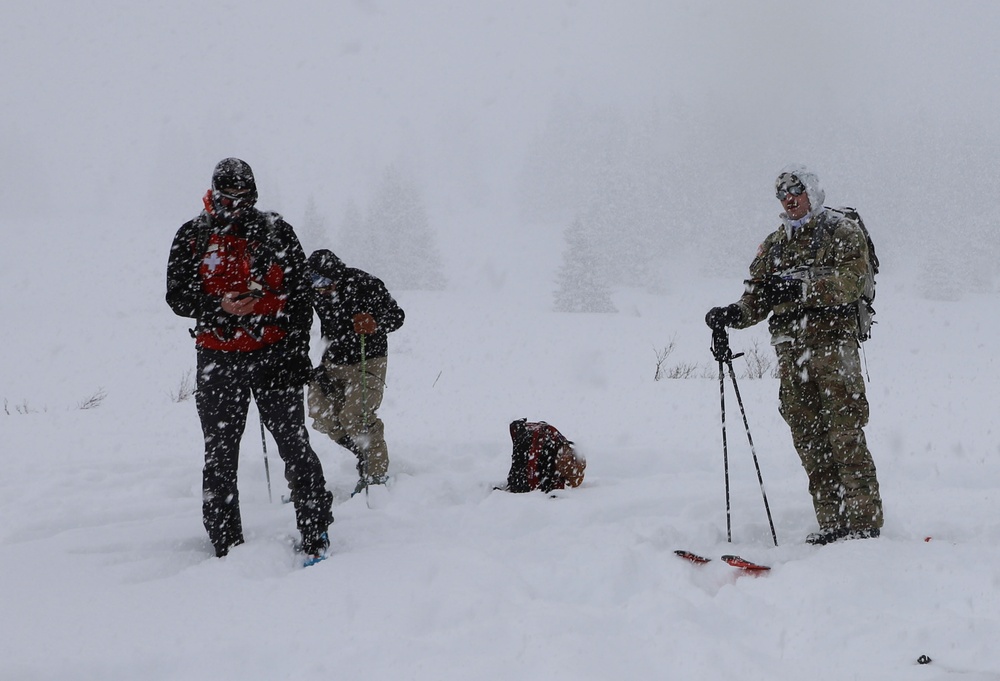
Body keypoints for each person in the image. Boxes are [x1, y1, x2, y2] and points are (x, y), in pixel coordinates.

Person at [705, 164, 883, 546]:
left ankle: (864, 525)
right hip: (792, 355)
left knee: (844, 433)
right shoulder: (774, 245)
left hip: (835, 349)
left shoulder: (842, 231)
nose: (789, 198)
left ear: (812, 191)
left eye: (795, 191)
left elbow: (850, 282)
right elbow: (756, 297)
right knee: (809, 439)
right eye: (782, 194)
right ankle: (832, 523)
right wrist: (731, 315)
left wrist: (797, 290)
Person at [166, 157, 333, 561]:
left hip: (274, 355)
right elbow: (177, 296)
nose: (237, 205)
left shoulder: (276, 230)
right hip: (218, 359)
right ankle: (226, 544)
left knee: (294, 447)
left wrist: (296, 352)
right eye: (228, 197)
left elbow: (300, 295)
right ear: (214, 192)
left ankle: (316, 533)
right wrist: (219, 306)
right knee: (220, 453)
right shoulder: (192, 235)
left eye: (245, 197)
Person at [305, 249, 405, 495]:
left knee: (355, 415)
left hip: (367, 359)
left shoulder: (365, 284)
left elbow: (397, 316)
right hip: (332, 361)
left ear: (336, 276)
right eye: (314, 282)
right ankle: (363, 452)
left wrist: (375, 323)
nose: (320, 288)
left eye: (325, 282)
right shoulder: (313, 291)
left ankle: (376, 474)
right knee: (321, 414)